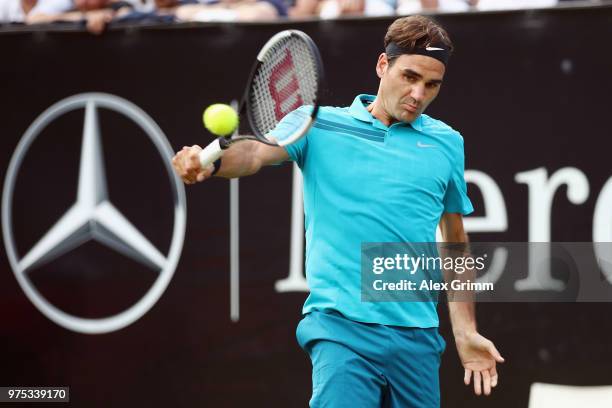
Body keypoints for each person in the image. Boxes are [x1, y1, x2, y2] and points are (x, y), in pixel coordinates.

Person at [172, 15, 504, 407]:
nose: (418, 93)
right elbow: (252, 153)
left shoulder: (447, 143)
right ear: (383, 65)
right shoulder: (316, 126)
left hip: (418, 338)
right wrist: (210, 163)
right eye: (409, 77)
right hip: (341, 330)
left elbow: (455, 243)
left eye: (431, 85)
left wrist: (464, 332)